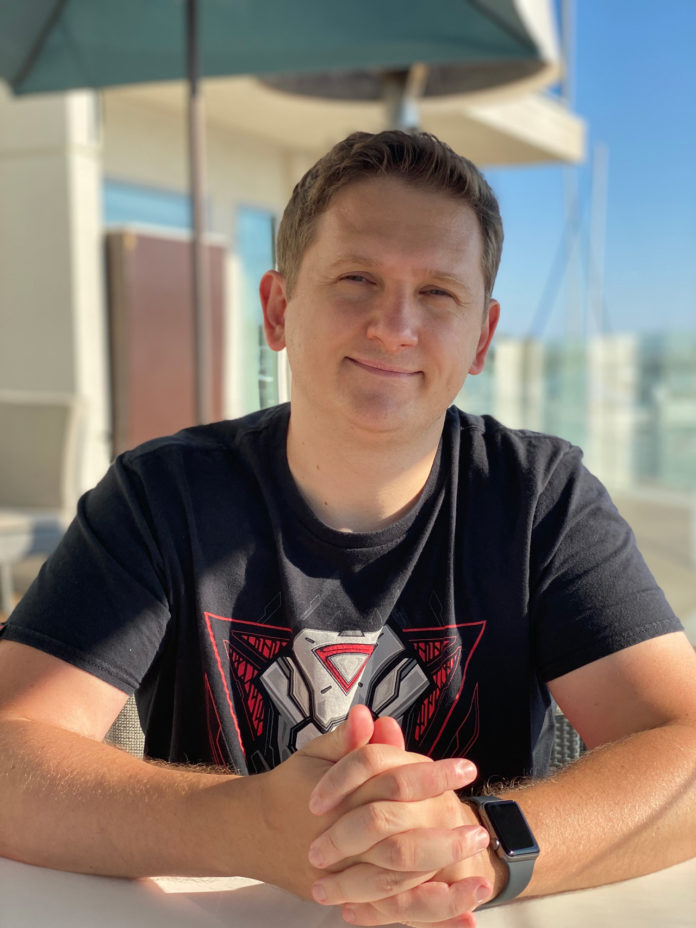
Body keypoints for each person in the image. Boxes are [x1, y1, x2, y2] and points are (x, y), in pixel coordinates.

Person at [1, 130, 695, 927]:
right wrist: (249, 828)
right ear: (277, 309)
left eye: (438, 292)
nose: (394, 326)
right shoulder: (163, 496)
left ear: (482, 337)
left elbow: (685, 745)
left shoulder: (540, 498)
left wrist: (470, 850)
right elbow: (10, 750)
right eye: (356, 279)